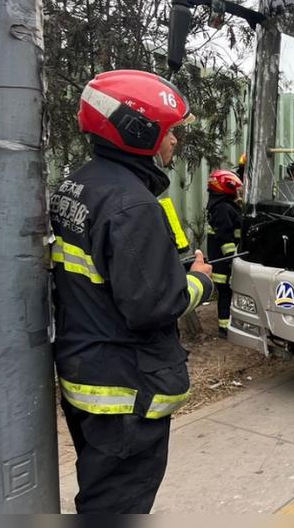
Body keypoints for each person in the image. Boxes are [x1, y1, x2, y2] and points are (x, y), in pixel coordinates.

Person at [50, 69, 214, 513]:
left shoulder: (78, 184)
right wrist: (199, 279)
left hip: (87, 375)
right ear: (138, 130)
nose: (175, 140)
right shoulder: (132, 204)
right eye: (170, 130)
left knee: (100, 491)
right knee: (117, 504)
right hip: (125, 390)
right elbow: (154, 306)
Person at [206, 168, 243, 337]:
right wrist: (232, 258)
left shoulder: (221, 206)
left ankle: (227, 325)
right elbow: (225, 237)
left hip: (222, 260)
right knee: (226, 293)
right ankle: (224, 328)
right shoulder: (222, 208)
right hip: (225, 262)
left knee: (226, 293)